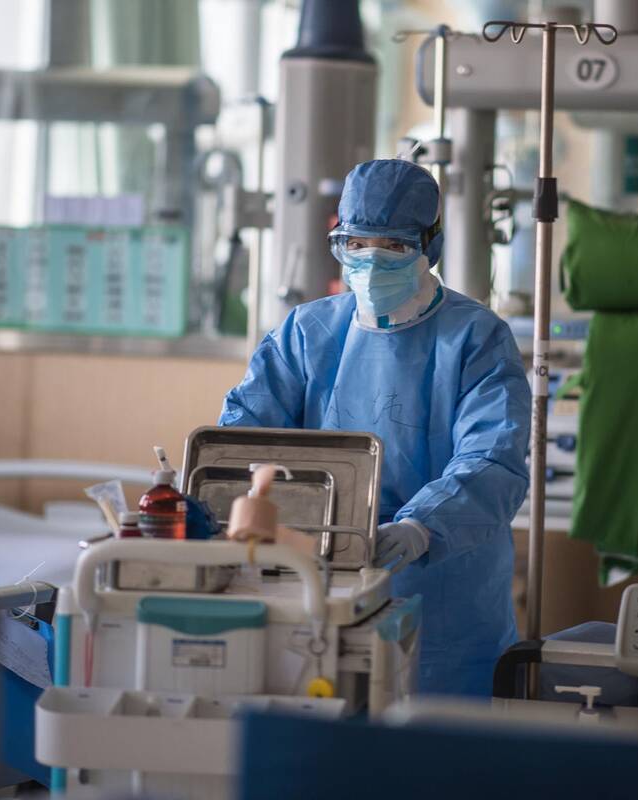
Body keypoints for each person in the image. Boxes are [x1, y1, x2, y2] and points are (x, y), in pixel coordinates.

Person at [219, 159, 530, 696]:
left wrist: (419, 528)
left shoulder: (476, 338)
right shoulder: (307, 333)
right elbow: (243, 439)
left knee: (439, 738)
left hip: (444, 599)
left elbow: (492, 459)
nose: (370, 260)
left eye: (392, 246)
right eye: (355, 244)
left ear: (430, 246)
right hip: (318, 584)